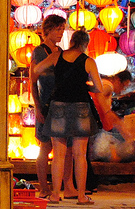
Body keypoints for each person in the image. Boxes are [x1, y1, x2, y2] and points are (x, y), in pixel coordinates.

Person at [33, 29, 104, 205]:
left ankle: (55, 194)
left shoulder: (57, 56)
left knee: (58, 154)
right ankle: (81, 196)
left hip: (58, 106)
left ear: (71, 41)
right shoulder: (88, 61)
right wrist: (85, 86)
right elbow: (99, 87)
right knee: (80, 154)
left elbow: (37, 69)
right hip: (80, 107)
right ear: (85, 44)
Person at [30, 14, 77, 199]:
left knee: (68, 148)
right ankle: (44, 187)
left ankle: (69, 186)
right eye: (58, 29)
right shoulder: (39, 51)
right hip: (47, 103)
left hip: (64, 103)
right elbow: (33, 81)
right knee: (46, 146)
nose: (60, 33)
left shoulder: (61, 51)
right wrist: (37, 107)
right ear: (47, 30)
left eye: (62, 29)